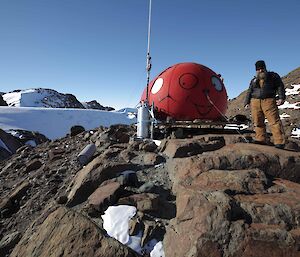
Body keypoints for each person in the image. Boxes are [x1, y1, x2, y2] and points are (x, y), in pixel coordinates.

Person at [244, 60, 286, 149]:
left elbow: (280, 86)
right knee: (257, 122)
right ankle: (260, 139)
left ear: (265, 68)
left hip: (269, 101)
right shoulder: (254, 80)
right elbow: (249, 91)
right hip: (255, 102)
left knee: (274, 121)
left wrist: (281, 97)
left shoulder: (273, 76)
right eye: (258, 69)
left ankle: (279, 142)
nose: (260, 70)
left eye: (262, 68)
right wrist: (246, 102)